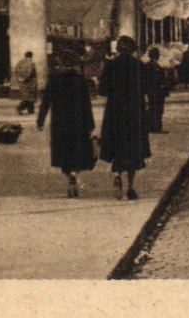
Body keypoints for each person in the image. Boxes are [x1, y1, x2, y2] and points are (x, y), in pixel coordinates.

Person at [97, 35, 151, 200]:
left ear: (118, 49)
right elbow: (147, 88)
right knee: (134, 150)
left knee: (117, 146)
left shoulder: (111, 66)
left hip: (115, 112)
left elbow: (103, 91)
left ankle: (117, 175)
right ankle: (131, 186)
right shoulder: (139, 66)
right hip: (134, 112)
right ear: (133, 49)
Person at [36, 54, 97, 197]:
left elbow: (46, 102)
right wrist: (90, 124)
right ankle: (75, 172)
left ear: (61, 63)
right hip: (78, 121)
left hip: (60, 121)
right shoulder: (80, 80)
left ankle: (69, 174)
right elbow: (86, 104)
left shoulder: (54, 80)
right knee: (77, 150)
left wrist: (40, 120)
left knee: (63, 150)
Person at [143, 47, 170, 133]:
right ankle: (156, 127)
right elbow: (158, 79)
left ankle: (150, 126)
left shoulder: (147, 65)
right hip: (157, 91)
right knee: (157, 109)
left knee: (152, 108)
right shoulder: (155, 66)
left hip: (151, 90)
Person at [13, 51, 40, 115]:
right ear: (31, 56)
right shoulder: (30, 63)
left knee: (29, 96)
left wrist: (20, 79)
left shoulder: (20, 62)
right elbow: (29, 73)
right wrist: (26, 78)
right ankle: (19, 108)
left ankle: (31, 110)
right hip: (30, 82)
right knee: (29, 97)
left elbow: (15, 70)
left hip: (22, 82)